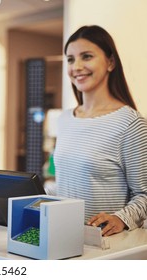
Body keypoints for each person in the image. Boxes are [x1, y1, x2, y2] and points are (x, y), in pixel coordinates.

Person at [54, 25, 147, 237]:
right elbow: (65, 184)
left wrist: (121, 218)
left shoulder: (131, 124)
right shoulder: (65, 119)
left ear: (110, 62)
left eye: (86, 57)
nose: (76, 66)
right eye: (70, 59)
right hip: (62, 236)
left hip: (105, 247)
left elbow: (144, 194)